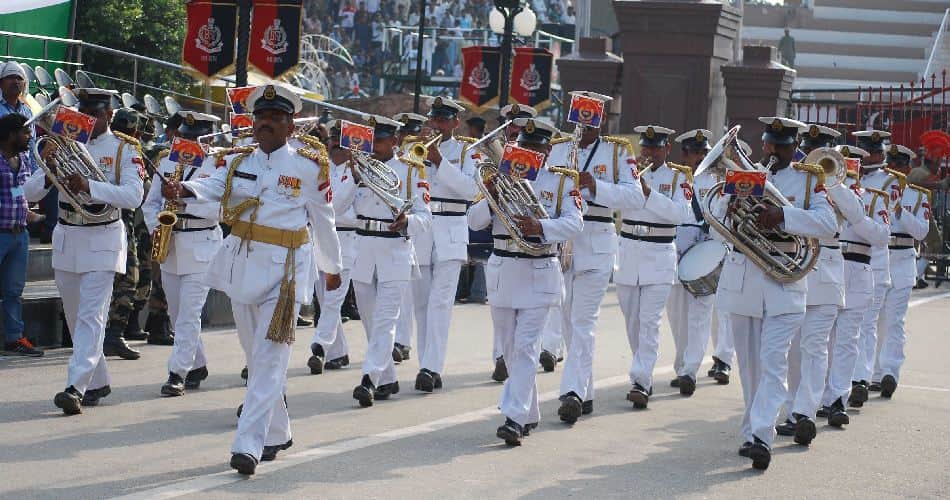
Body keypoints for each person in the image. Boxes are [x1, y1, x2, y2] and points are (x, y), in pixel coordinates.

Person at [162, 83, 342, 474]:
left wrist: (332, 269)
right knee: (255, 355)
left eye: (275, 119)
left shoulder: (310, 168)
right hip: (242, 266)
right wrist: (185, 189)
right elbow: (212, 187)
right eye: (261, 118)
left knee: (268, 358)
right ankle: (278, 431)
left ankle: (248, 444)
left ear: (291, 126)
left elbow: (325, 222)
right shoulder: (238, 160)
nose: (266, 125)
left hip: (286, 272)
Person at [716, 117, 836, 470]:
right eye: (768, 144)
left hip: (785, 283)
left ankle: (761, 437)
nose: (771, 152)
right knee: (750, 368)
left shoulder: (811, 178)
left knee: (772, 363)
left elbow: (828, 224)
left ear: (794, 145)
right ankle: (752, 429)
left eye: (780, 146)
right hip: (745, 282)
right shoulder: (747, 175)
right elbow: (720, 221)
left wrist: (783, 214)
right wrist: (733, 208)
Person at [25, 88, 145, 414]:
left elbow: (134, 196)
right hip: (68, 235)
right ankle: (98, 381)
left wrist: (89, 186)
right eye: (85, 113)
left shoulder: (124, 150)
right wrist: (49, 170)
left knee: (91, 316)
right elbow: (29, 191)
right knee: (78, 317)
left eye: (97, 113)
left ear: (109, 114)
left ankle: (74, 386)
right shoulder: (65, 142)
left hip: (104, 236)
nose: (90, 119)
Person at [467, 117, 583, 445]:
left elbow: (575, 224)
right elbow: (473, 222)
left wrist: (542, 228)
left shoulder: (563, 182)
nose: (530, 152)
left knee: (526, 347)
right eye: (525, 146)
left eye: (537, 147)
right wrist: (489, 194)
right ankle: (529, 411)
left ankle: (514, 417)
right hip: (504, 269)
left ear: (548, 149)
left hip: (540, 269)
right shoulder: (499, 177)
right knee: (509, 349)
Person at [549, 93, 644, 425]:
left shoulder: (618, 151)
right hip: (564, 238)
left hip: (598, 235)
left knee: (583, 321)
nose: (582, 130)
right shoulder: (558, 149)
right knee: (566, 319)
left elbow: (635, 196)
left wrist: (598, 186)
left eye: (589, 124)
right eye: (577, 123)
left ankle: (572, 392)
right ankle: (585, 391)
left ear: (601, 122)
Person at [334, 114, 431, 408]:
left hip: (395, 250)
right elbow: (336, 208)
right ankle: (387, 377)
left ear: (395, 141)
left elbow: (426, 218)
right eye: (370, 139)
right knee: (370, 320)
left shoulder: (412, 171)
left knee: (386, 320)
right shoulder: (357, 168)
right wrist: (352, 177)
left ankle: (368, 379)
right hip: (364, 248)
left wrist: (408, 221)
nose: (374, 146)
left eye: (381, 140)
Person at [401, 97, 480, 393]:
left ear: (455, 123)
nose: (437, 124)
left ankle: (432, 366)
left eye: (444, 120)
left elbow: (472, 190)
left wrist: (439, 162)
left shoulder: (467, 151)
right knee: (420, 303)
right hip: (422, 229)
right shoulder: (412, 148)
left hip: (451, 230)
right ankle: (426, 364)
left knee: (440, 303)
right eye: (434, 119)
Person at [143, 110, 224, 396]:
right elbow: (150, 203)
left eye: (195, 138)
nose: (189, 142)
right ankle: (197, 364)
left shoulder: (218, 165)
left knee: (189, 313)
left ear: (207, 138)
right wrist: (156, 226)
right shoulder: (166, 161)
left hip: (202, 242)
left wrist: (184, 200)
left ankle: (177, 372)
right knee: (178, 315)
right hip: (171, 242)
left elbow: (221, 210)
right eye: (185, 136)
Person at [617, 125, 693, 410]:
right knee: (633, 321)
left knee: (649, 322)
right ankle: (642, 370)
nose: (648, 152)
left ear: (666, 149)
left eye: (655, 147)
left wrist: (648, 194)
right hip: (628, 251)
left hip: (659, 254)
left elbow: (681, 214)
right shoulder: (626, 174)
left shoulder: (678, 178)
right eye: (645, 147)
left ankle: (641, 380)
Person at [815, 144, 890, 427]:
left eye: (848, 164)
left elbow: (882, 236)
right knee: (821, 339)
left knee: (847, 340)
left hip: (858, 268)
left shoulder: (873, 198)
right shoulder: (821, 194)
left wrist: (856, 216)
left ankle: (837, 399)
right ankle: (818, 396)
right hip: (828, 265)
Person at [871, 144, 929, 399]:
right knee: (875, 319)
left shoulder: (918, 196)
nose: (892, 170)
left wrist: (899, 210)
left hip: (904, 258)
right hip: (880, 256)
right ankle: (871, 373)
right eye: (889, 165)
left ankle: (889, 373)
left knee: (894, 320)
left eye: (897, 165)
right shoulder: (877, 188)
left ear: (907, 168)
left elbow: (921, 232)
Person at [666, 129, 718, 396]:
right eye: (695, 152)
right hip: (676, 247)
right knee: (677, 315)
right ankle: (681, 365)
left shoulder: (717, 180)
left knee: (700, 314)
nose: (700, 157)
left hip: (705, 247)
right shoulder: (674, 178)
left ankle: (690, 371)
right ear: (684, 154)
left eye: (704, 152)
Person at [850, 130, 898, 407]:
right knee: (852, 325)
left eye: (872, 151)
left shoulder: (889, 182)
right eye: (864, 150)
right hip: (849, 261)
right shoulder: (850, 177)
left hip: (876, 262)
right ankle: (852, 378)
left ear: (880, 154)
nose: (868, 155)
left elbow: (885, 222)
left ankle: (862, 379)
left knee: (867, 324)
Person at [101, 108, 152, 361]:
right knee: (126, 280)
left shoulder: (128, 150)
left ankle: (115, 333)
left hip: (126, 223)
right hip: (116, 222)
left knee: (125, 280)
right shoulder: (125, 150)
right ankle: (112, 335)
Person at [307, 120, 356, 374]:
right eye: (331, 142)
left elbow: (335, 208)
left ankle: (320, 346)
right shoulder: (318, 169)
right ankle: (339, 352)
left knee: (333, 299)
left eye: (339, 143)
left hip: (347, 238)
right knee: (324, 297)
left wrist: (356, 180)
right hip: (319, 237)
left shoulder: (358, 171)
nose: (334, 147)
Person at [0, 112, 43, 357]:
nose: (29, 136)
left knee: (14, 291)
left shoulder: (25, 159)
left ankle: (14, 338)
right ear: (10, 135)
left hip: (19, 234)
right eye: (25, 132)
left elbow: (22, 193)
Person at [392, 111, 428, 362]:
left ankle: (404, 339)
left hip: (423, 223)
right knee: (402, 291)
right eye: (403, 132)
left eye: (411, 132)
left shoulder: (420, 158)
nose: (407, 137)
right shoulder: (397, 160)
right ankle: (400, 340)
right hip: (402, 228)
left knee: (417, 295)